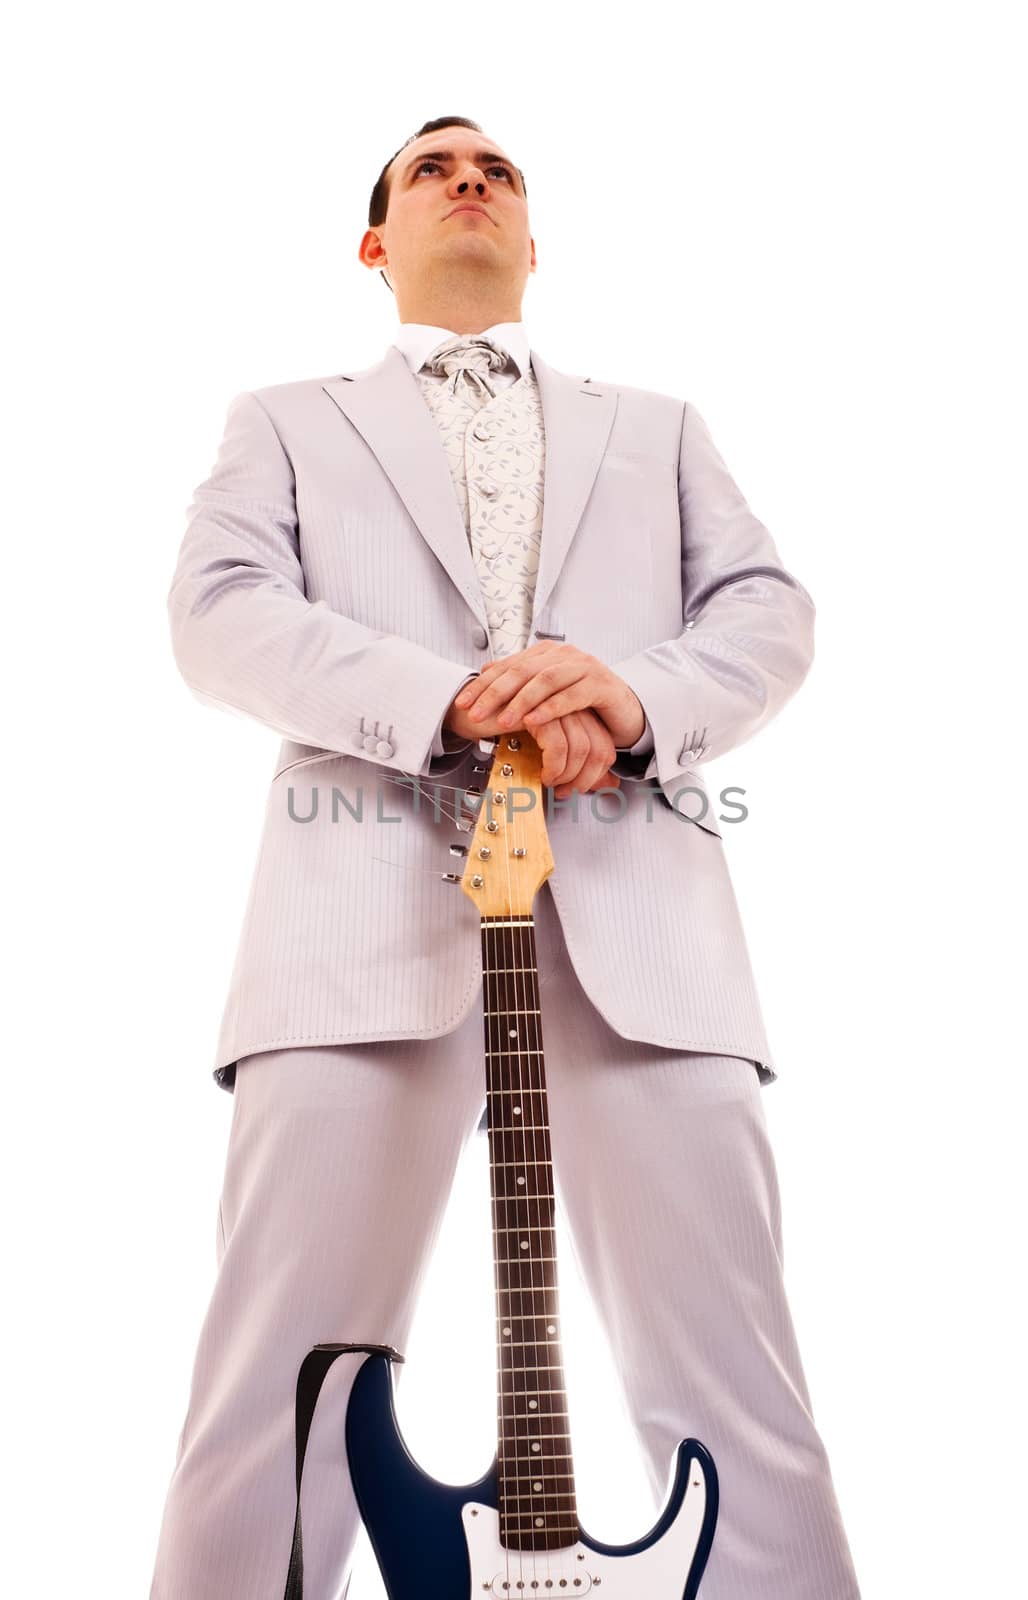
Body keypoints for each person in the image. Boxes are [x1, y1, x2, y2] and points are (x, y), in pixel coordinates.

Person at [148, 115, 862, 1599]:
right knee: (278, 1400)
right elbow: (219, 611)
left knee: (741, 1391)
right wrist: (448, 698)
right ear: (376, 243)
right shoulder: (283, 416)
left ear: (533, 244)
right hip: (354, 937)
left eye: (499, 175)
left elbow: (765, 613)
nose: (469, 184)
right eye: (432, 172)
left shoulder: (658, 423)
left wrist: (633, 699)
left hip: (641, 939)